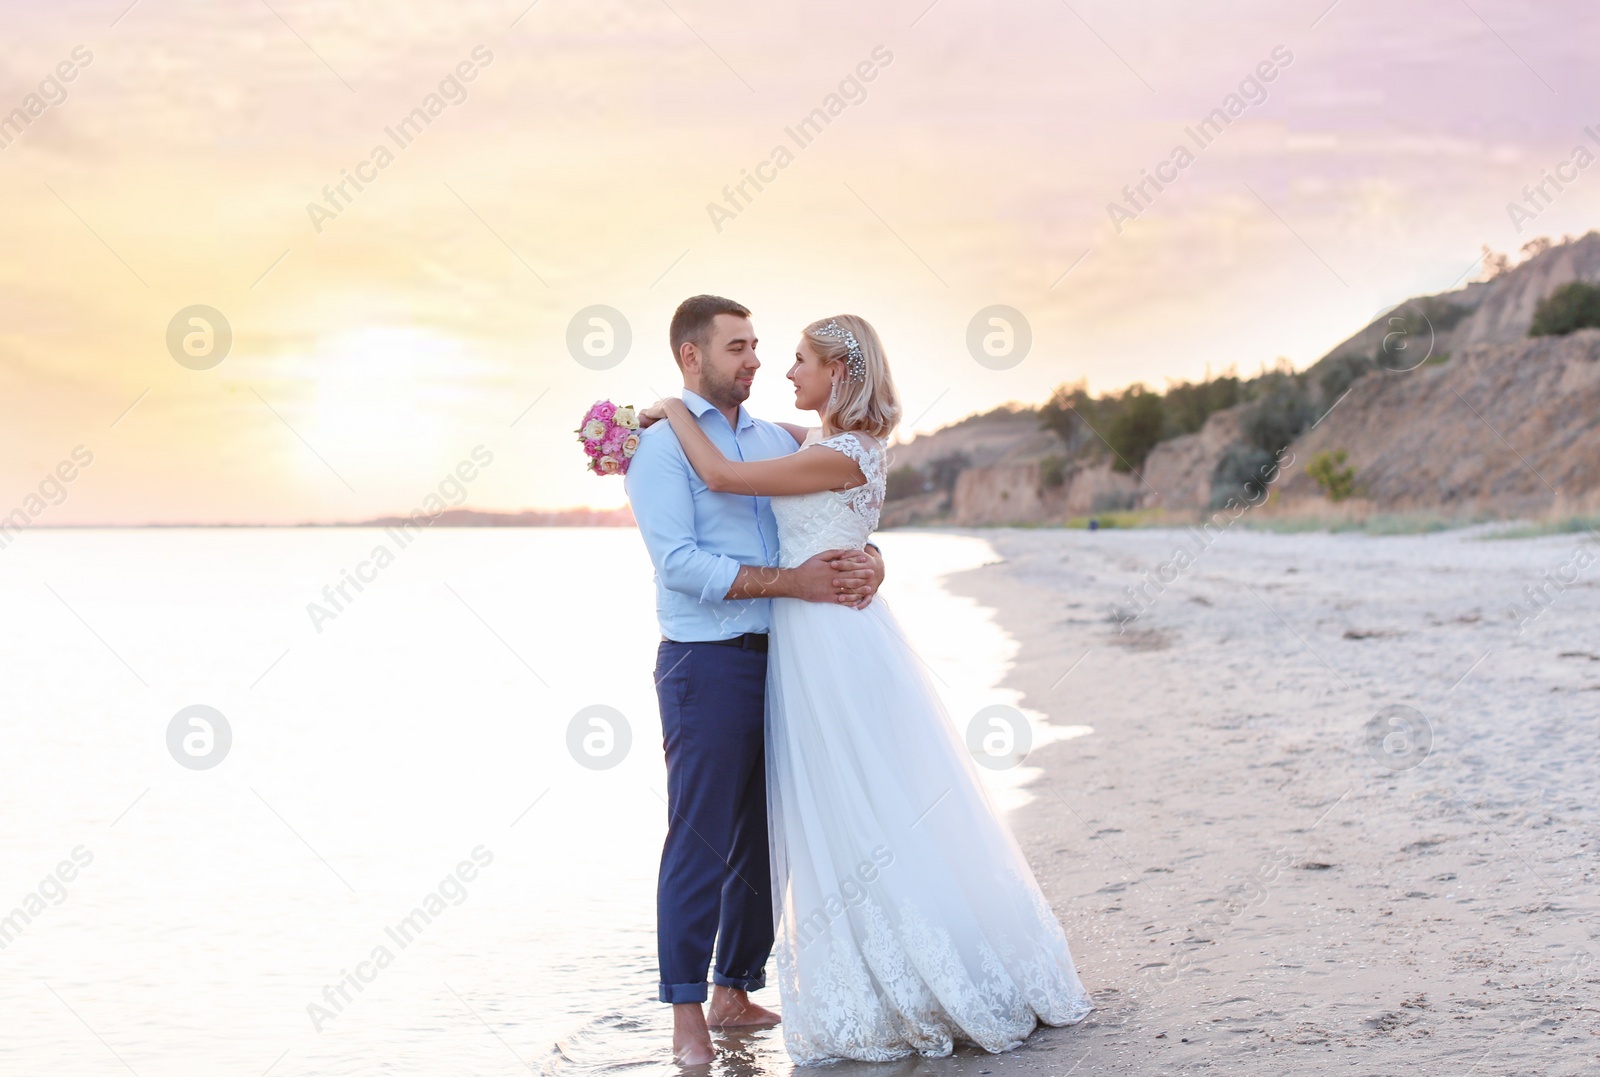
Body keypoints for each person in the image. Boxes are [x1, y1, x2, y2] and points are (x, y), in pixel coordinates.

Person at [641, 313, 1092, 1063]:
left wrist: (674, 407)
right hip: (809, 639)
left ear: (839, 374)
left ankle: (898, 974)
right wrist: (659, 421)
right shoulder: (812, 439)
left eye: (797, 360)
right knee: (838, 806)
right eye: (754, 350)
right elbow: (750, 441)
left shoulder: (836, 450)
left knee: (855, 806)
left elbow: (724, 473)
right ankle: (744, 988)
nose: (782, 370)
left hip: (826, 640)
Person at [623, 295, 889, 1065]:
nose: (755, 361)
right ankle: (684, 1015)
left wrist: (874, 559)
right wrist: (791, 583)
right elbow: (678, 563)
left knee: (766, 838)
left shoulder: (774, 435)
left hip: (790, 660)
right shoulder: (660, 446)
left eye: (758, 345)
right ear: (691, 357)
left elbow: (852, 492)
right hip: (706, 661)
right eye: (737, 347)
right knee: (702, 836)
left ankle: (734, 987)